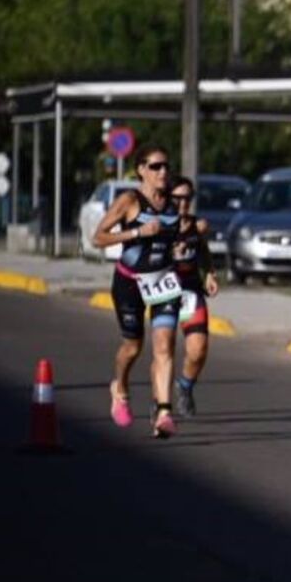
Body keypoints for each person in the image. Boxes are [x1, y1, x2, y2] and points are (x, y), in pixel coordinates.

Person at [95, 146, 181, 437]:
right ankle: (119, 388)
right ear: (141, 170)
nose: (163, 172)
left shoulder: (172, 202)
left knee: (164, 345)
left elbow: (179, 234)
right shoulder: (129, 201)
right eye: (155, 166)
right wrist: (136, 233)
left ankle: (164, 412)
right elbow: (98, 238)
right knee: (133, 347)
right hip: (129, 282)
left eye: (166, 166)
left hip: (162, 280)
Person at [167, 176, 221, 418]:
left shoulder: (197, 226)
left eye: (187, 198)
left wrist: (209, 273)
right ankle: (160, 404)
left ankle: (185, 386)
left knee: (198, 349)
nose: (182, 203)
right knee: (164, 350)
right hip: (163, 293)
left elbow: (203, 252)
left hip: (189, 292)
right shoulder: (159, 225)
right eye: (177, 198)